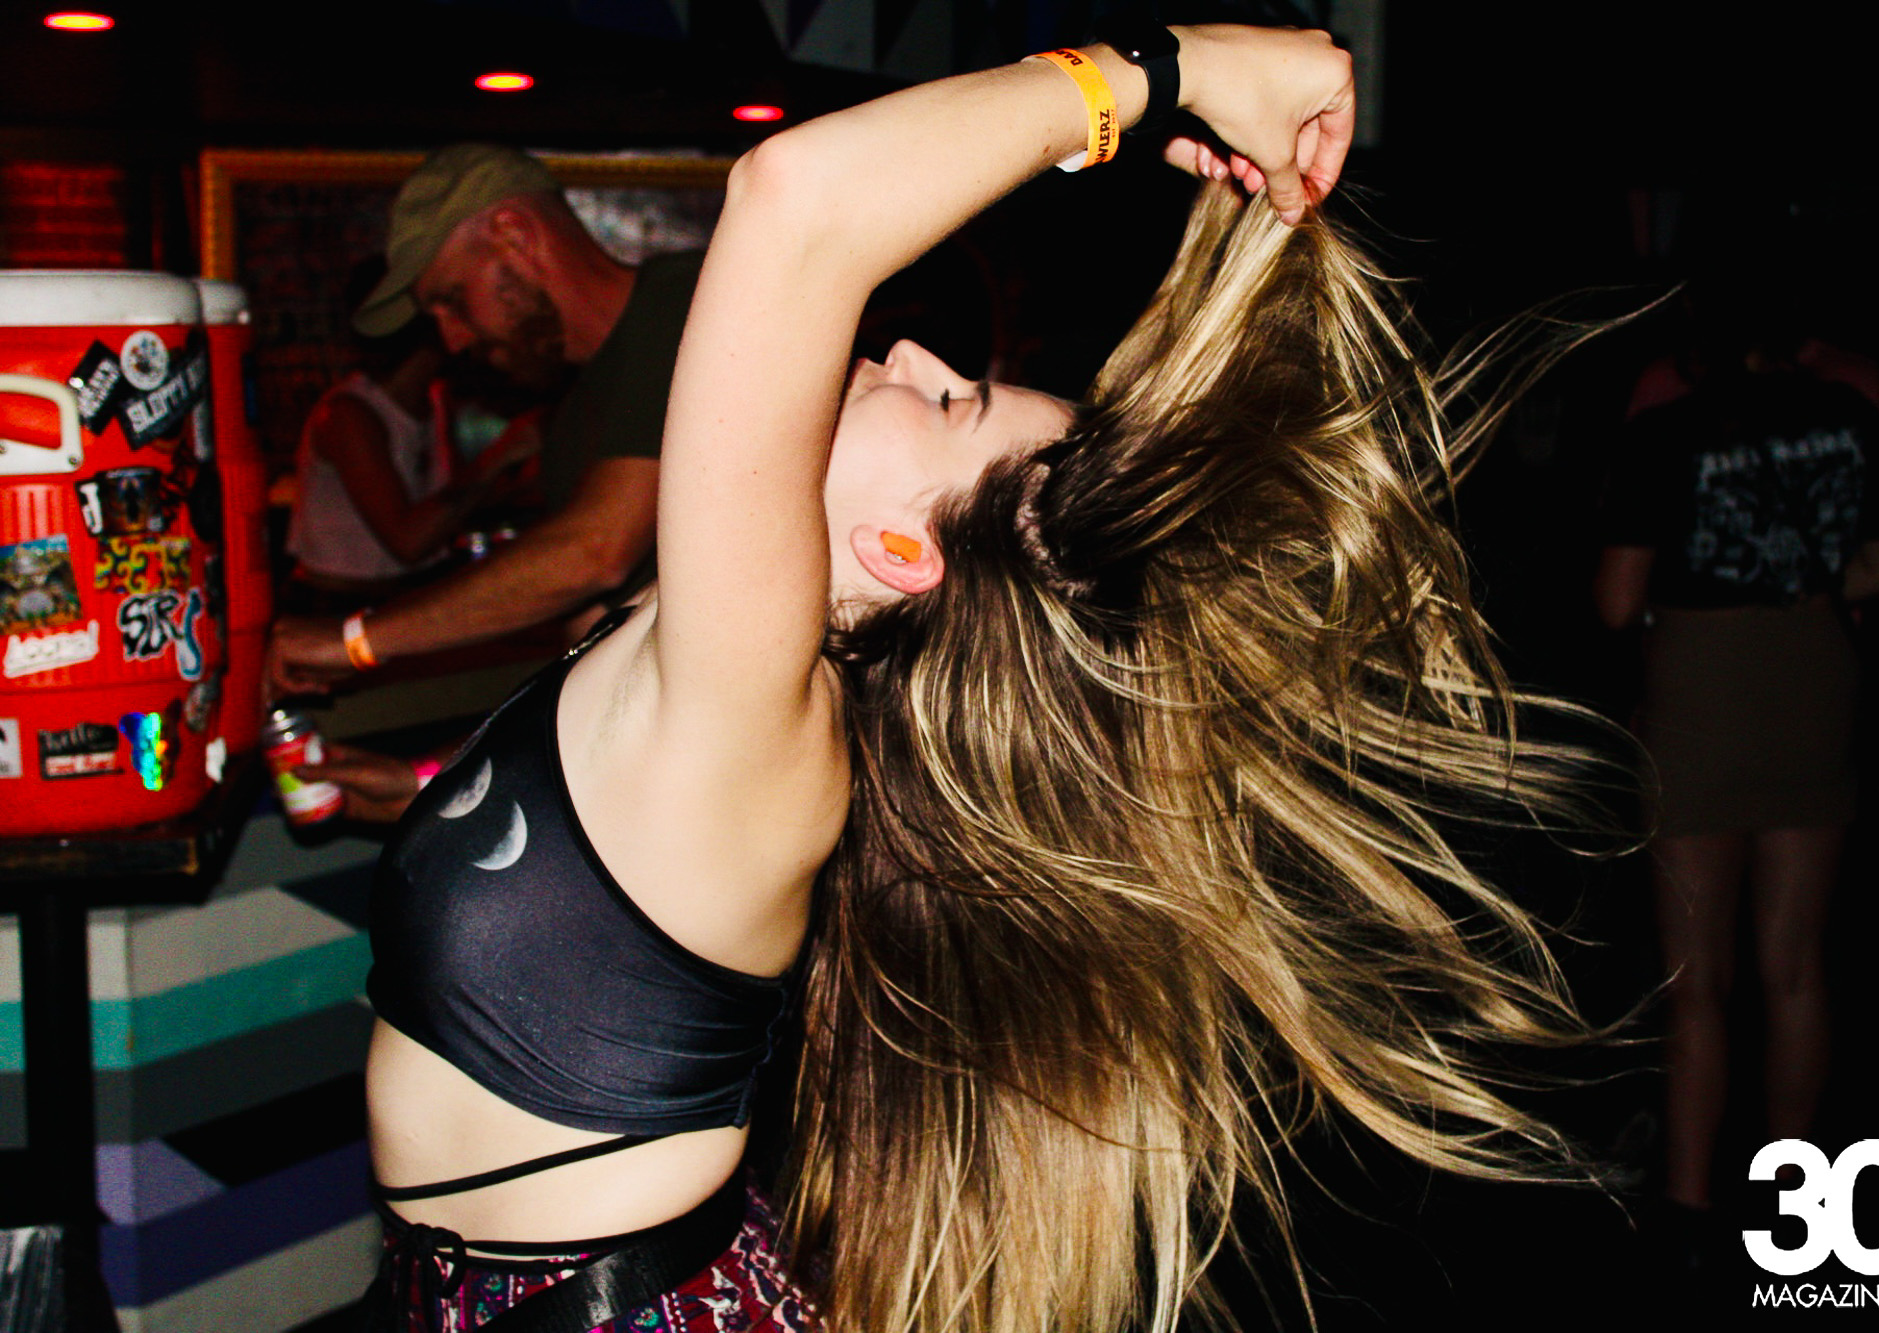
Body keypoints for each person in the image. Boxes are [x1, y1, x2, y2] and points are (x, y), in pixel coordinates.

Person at [366, 25, 1612, 1333]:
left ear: (901, 553)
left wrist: (1174, 71)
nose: (912, 356)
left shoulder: (751, 717)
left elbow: (797, 203)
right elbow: (587, 882)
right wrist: (414, 788)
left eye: (949, 401)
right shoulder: (694, 660)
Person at [1595, 280, 1879, 1251]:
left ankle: (1690, 1203)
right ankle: (1796, 1196)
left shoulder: (1665, 429)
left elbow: (1616, 601)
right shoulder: (1847, 414)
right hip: (1812, 667)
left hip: (1700, 680)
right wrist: (1793, 576)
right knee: (1796, 966)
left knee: (1696, 980)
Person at [267, 143, 701, 696]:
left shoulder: (684, 303)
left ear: (514, 235)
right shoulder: (573, 409)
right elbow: (591, 628)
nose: (451, 340)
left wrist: (356, 640)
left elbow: (595, 552)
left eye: (454, 300)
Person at [285, 258, 528, 609]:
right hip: (338, 606)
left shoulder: (435, 399)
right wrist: (502, 454)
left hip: (409, 594)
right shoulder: (349, 415)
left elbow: (448, 507)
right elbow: (407, 541)